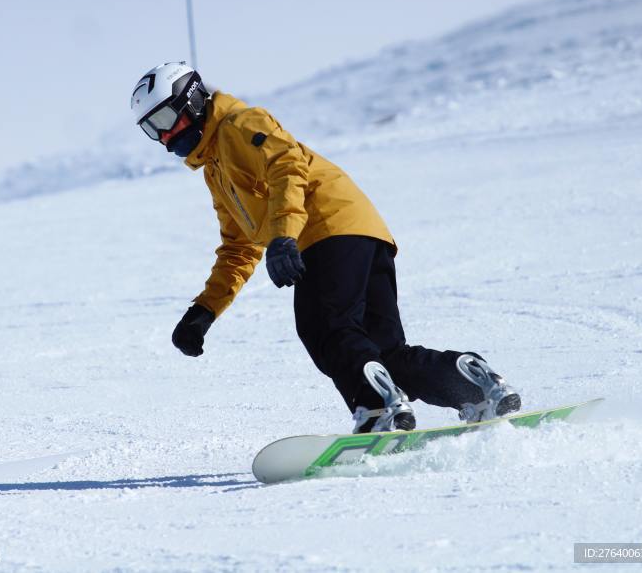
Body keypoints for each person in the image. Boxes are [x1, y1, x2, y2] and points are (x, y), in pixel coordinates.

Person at [131, 62, 521, 433]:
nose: (165, 137)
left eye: (165, 121)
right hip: (363, 231)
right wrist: (204, 311)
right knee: (383, 353)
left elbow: (286, 164)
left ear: (193, 99)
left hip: (326, 230)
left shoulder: (239, 123)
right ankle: (473, 385)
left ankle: (378, 407)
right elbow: (238, 247)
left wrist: (284, 235)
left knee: (326, 329)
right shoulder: (216, 169)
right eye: (153, 130)